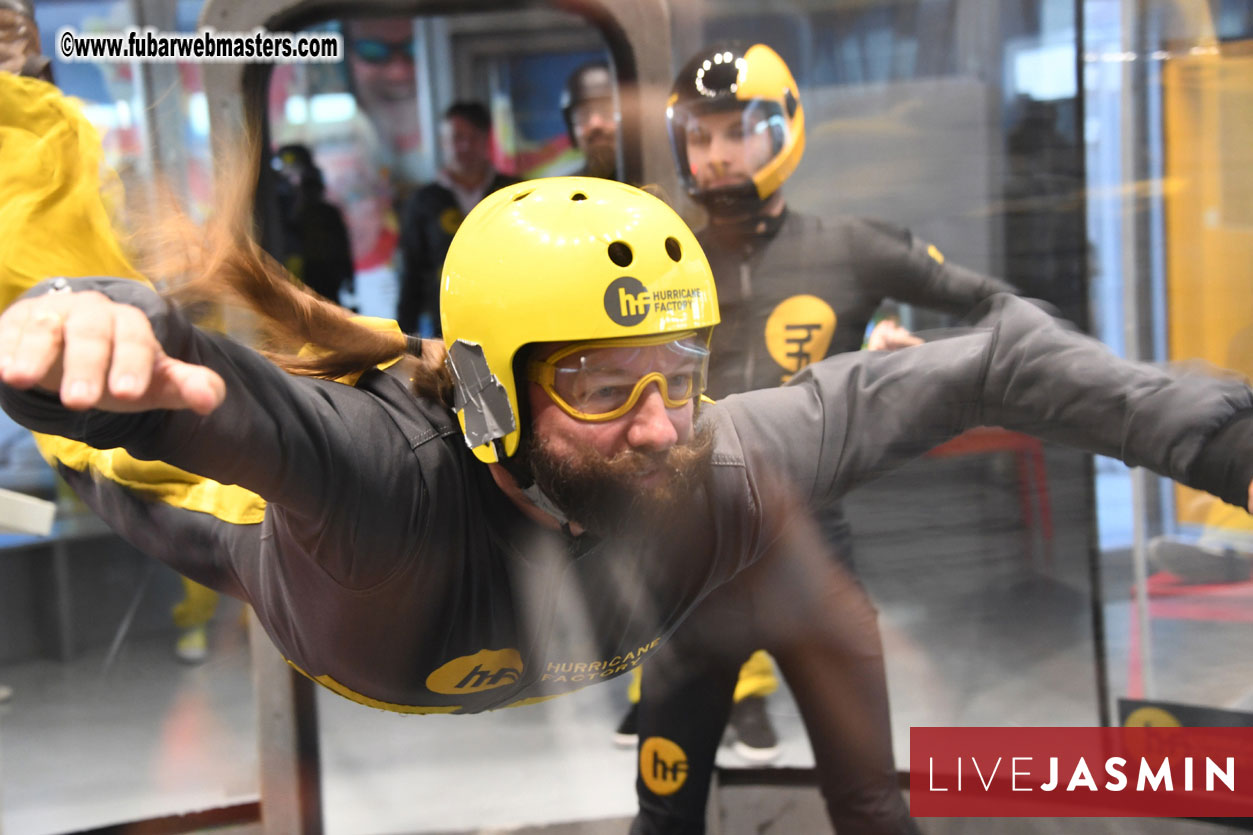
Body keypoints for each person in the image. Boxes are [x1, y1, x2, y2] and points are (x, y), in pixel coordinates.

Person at [4, 68, 1253, 835]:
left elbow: (988, 363)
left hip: (535, 613)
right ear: (489, 396)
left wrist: (1219, 441)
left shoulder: (716, 455)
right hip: (243, 526)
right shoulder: (382, 478)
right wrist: (97, 332)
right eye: (600, 386)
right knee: (91, 357)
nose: (658, 426)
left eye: (678, 377)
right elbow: (210, 399)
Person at [619, 41, 1019, 775]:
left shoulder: (853, 248)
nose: (717, 154)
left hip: (813, 550)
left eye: (738, 131)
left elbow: (1000, 311)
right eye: (700, 136)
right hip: (691, 553)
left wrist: (908, 354)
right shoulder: (662, 262)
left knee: (868, 793)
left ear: (783, 129)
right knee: (666, 806)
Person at [396, 102, 518, 336]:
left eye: (474, 137)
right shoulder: (423, 201)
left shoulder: (514, 192)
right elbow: (411, 271)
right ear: (443, 142)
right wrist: (405, 334)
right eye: (457, 138)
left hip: (510, 318)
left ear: (487, 140)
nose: (465, 146)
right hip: (446, 325)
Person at [274, 144, 356, 306]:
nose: (294, 180)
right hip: (298, 268)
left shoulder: (325, 212)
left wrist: (347, 275)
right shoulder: (280, 201)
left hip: (321, 271)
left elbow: (340, 243)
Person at [561, 61, 619, 180]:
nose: (595, 124)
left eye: (607, 111)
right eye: (583, 115)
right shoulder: (565, 188)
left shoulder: (652, 185)